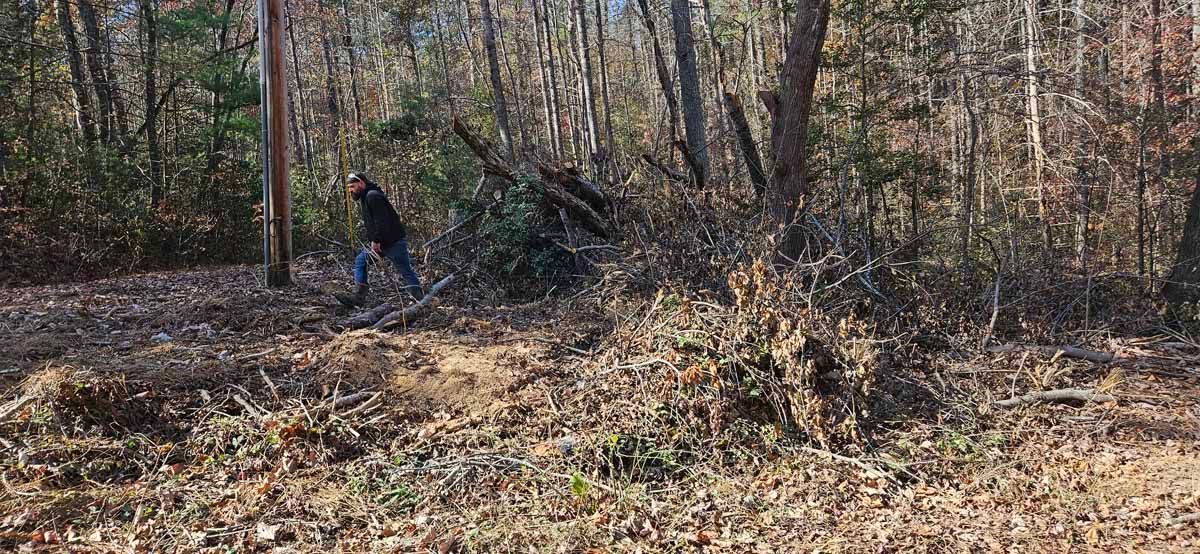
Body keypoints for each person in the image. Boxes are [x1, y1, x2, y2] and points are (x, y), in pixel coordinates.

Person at [335, 172, 423, 307]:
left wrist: (376, 240)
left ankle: (420, 301)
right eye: (348, 188)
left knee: (405, 270)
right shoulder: (366, 196)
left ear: (361, 183)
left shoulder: (373, 196)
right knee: (360, 261)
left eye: (352, 186)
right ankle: (358, 297)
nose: (350, 190)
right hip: (382, 243)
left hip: (393, 243)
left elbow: (382, 222)